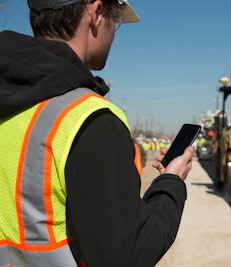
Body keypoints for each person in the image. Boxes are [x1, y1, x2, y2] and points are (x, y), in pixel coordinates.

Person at [0, 1, 194, 266]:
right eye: (116, 19)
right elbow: (127, 257)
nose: (114, 30)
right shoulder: (89, 119)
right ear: (96, 12)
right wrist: (171, 182)